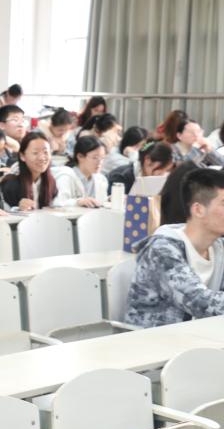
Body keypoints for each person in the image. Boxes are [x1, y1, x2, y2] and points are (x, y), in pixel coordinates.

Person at [126, 169, 224, 328]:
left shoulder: (218, 247)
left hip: (198, 334)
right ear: (198, 210)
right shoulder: (162, 250)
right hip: (154, 339)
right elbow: (198, 301)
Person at [0, 131, 60, 210]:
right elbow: (2, 211)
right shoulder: (11, 184)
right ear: (22, 156)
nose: (42, 158)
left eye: (46, 152)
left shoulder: (50, 182)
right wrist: (18, 208)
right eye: (35, 153)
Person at [53, 135, 107, 208]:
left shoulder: (101, 179)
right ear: (80, 156)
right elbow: (57, 203)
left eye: (102, 158)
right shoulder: (66, 176)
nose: (99, 162)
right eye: (95, 158)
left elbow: (101, 203)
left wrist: (108, 200)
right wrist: (78, 202)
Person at [108, 141, 174, 194]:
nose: (163, 174)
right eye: (160, 172)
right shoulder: (121, 177)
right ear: (147, 161)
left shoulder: (159, 179)